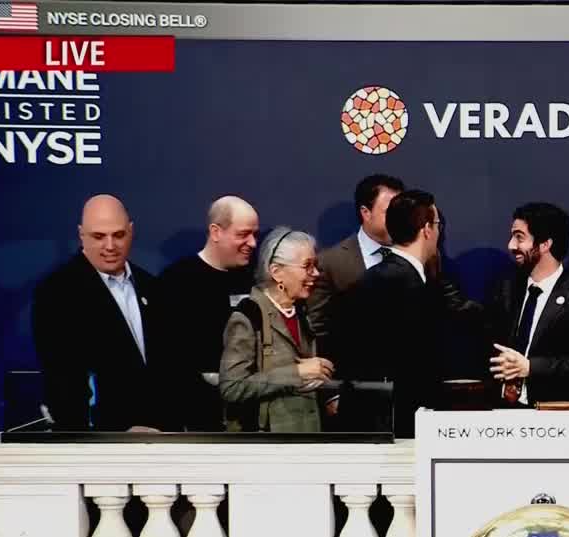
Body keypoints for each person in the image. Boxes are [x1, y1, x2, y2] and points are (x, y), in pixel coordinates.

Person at [32, 194, 184, 431]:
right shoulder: (57, 293)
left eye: (119, 235)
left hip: (162, 438)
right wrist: (116, 434)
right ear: (81, 234)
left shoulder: (153, 287)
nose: (110, 246)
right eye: (99, 236)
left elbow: (170, 368)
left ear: (131, 231)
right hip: (102, 445)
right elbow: (63, 381)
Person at [340, 189, 452, 438]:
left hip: (370, 419)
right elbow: (416, 366)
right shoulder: (408, 285)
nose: (438, 231)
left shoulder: (371, 278)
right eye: (437, 224)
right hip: (399, 425)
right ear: (426, 229)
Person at [219, 227, 334, 432]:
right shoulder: (248, 317)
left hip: (308, 439)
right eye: (307, 266)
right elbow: (232, 387)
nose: (315, 273)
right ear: (276, 272)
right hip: (268, 447)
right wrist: (296, 372)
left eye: (315, 266)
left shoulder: (301, 312)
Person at [159, 195, 259, 430]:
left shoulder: (254, 279)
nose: (253, 243)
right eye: (243, 234)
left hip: (250, 414)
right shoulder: (176, 281)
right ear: (216, 232)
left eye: (254, 234)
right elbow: (168, 358)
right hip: (197, 419)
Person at [487, 202, 569, 405]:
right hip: (500, 412)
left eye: (519, 237)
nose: (511, 245)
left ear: (545, 244)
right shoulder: (505, 289)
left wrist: (530, 367)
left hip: (550, 415)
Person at [308, 174, 405, 360]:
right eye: (390, 212)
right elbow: (317, 328)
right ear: (365, 212)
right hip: (354, 376)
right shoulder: (330, 263)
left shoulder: (417, 256)